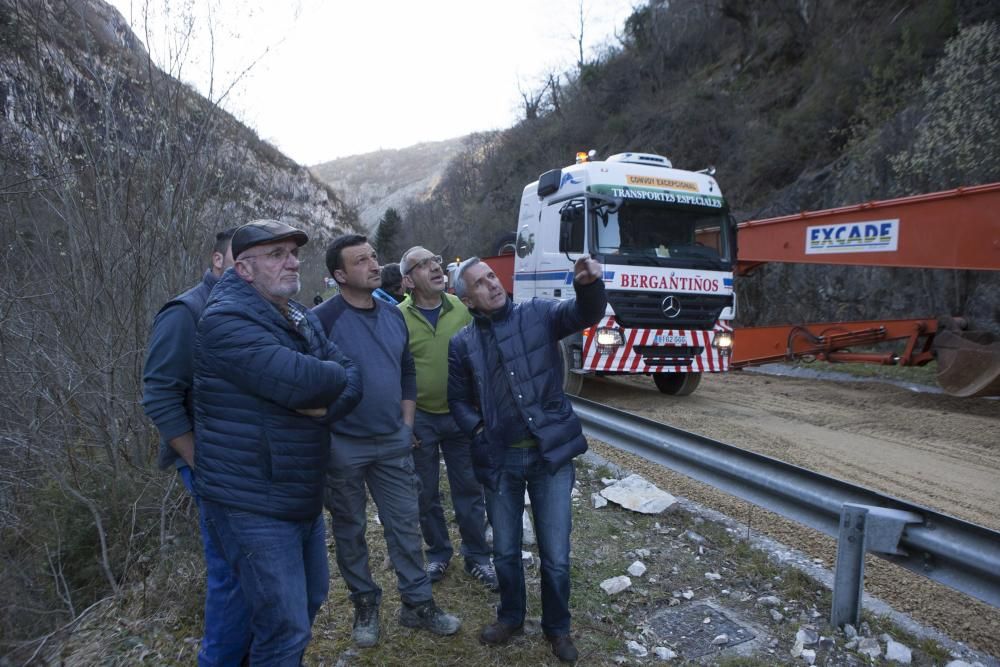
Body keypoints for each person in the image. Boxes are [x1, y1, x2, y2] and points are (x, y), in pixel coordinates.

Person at [193, 219, 362, 665]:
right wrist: (331, 380)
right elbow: (310, 380)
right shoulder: (225, 319)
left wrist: (328, 401)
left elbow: (351, 374)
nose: (291, 263)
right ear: (244, 270)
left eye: (293, 253)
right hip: (252, 500)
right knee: (284, 627)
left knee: (307, 604)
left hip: (298, 489)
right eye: (276, 255)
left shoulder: (298, 313)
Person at [447, 254, 606, 664]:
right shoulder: (462, 344)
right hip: (500, 462)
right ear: (467, 299)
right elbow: (458, 402)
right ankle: (512, 617)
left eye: (491, 276)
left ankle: (557, 628)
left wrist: (589, 286)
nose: (493, 284)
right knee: (504, 551)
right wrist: (479, 431)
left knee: (555, 554)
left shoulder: (537, 314)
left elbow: (583, 313)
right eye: (480, 283)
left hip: (549, 457)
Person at [314, 234, 461, 649]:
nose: (374, 264)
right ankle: (365, 603)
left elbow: (407, 371)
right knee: (350, 529)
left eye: (374, 256)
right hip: (343, 444)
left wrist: (406, 422)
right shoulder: (321, 319)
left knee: (405, 526)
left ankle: (417, 604)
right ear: (339, 275)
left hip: (392, 441)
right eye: (360, 261)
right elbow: (307, 380)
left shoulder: (394, 314)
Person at [142, 227, 255, 665]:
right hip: (210, 465)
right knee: (231, 571)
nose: (249, 267)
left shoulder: (257, 308)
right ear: (218, 261)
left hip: (249, 464)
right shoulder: (186, 312)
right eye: (239, 257)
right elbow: (159, 394)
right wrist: (197, 460)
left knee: (254, 571)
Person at [397, 246, 497, 591]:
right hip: (420, 417)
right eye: (423, 265)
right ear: (408, 280)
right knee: (424, 492)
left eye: (435, 261)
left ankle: (478, 556)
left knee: (469, 488)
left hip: (461, 415)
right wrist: (403, 422)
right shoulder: (397, 317)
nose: (435, 268)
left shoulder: (462, 308)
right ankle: (438, 553)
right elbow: (394, 371)